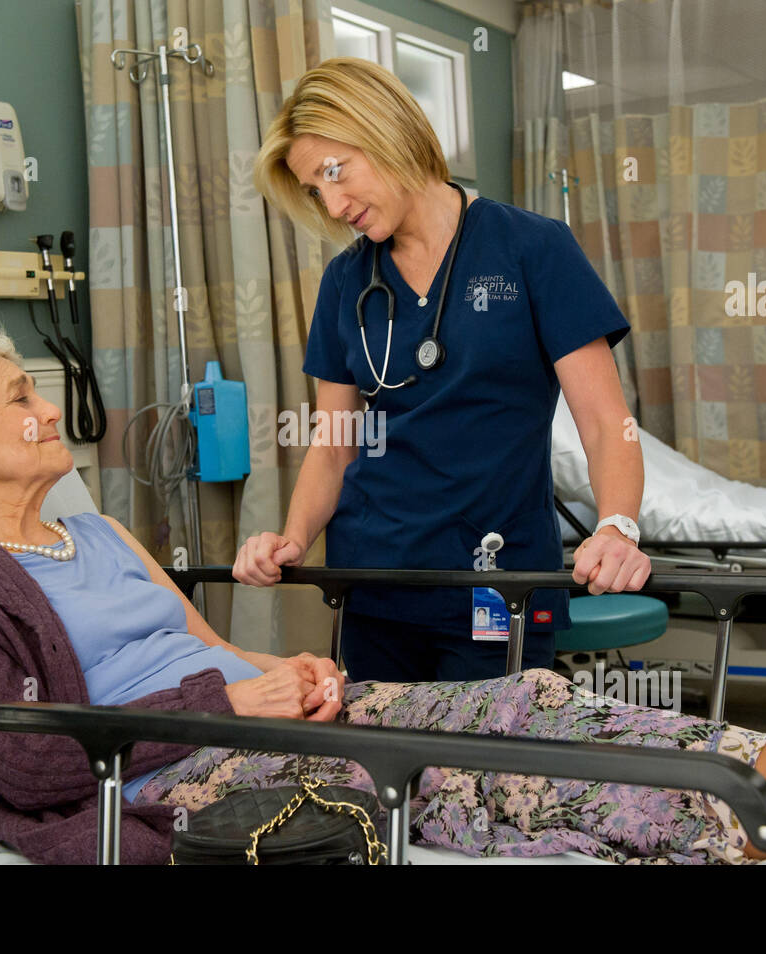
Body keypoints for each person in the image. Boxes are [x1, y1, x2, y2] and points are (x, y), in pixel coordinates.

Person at [0, 319, 766, 865]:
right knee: (522, 782)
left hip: (256, 722)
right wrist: (225, 707)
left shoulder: (99, 531)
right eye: (17, 400)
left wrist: (289, 672)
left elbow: (208, 641)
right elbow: (39, 761)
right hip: (178, 772)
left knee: (536, 702)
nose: (46, 410)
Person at [234, 58, 649, 682]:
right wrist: (293, 538)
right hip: (374, 582)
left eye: (334, 172)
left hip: (498, 582)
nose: (335, 204)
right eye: (318, 191)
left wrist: (618, 527)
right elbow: (334, 443)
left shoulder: (533, 248)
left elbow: (604, 422)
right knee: (391, 773)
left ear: (384, 129)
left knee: (491, 771)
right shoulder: (346, 280)